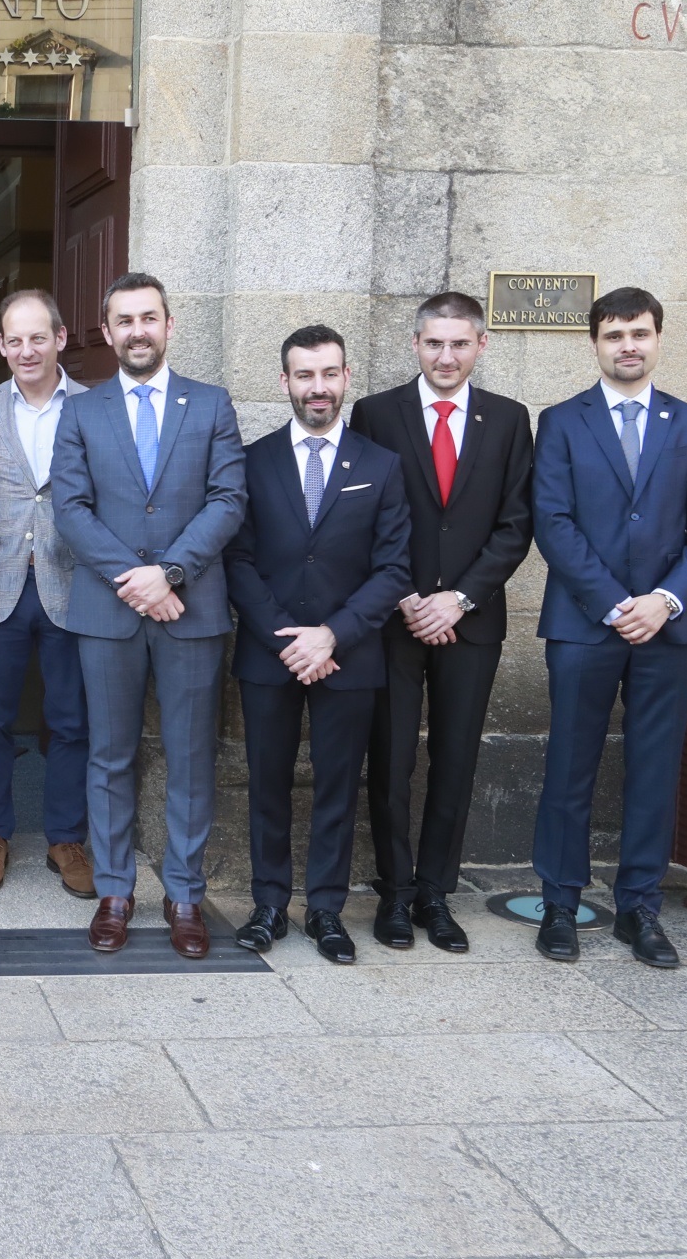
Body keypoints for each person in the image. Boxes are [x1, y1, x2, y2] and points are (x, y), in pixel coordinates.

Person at [530, 285, 687, 969]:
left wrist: (665, 600)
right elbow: (553, 522)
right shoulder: (561, 421)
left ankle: (640, 908)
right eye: (614, 335)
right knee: (569, 766)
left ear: (657, 339)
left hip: (668, 630)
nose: (628, 346)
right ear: (595, 343)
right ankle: (560, 903)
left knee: (654, 770)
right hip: (584, 624)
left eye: (639, 333)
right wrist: (617, 603)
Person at [51, 273, 246, 959]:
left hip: (192, 607)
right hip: (108, 612)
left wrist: (170, 573)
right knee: (109, 755)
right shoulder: (82, 412)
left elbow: (228, 498)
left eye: (149, 318)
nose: (138, 331)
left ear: (169, 325)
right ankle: (114, 891)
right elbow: (70, 508)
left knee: (191, 756)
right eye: (125, 321)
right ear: (107, 333)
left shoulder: (212, 403)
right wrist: (135, 581)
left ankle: (184, 894)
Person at [349, 292, 535, 954]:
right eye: (434, 343)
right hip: (394, 621)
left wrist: (459, 599)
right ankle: (395, 893)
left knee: (456, 758)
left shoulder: (509, 419)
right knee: (391, 759)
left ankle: (435, 892)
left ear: (481, 345)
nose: (446, 356)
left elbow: (516, 524)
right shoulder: (375, 414)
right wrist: (405, 596)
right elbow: (363, 516)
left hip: (471, 622)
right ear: (416, 344)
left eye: (459, 343)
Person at [225, 325, 412, 965]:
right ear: (285, 381)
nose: (318, 387)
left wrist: (332, 634)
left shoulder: (380, 465)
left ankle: (327, 909)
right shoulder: (252, 461)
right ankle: (268, 904)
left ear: (346, 377)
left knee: (338, 786)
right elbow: (238, 560)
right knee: (267, 784)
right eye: (305, 375)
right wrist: (288, 638)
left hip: (348, 654)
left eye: (329, 374)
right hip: (270, 652)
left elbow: (393, 569)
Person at [0, 290, 94, 898]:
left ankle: (66, 838)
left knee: (71, 720)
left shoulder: (94, 406)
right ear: (1, 346)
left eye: (38, 337)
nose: (26, 350)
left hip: (73, 583)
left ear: (60, 338)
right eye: (14, 340)